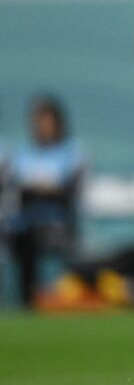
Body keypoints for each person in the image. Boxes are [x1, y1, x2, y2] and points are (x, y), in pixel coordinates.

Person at [2, 96, 83, 307]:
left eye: (47, 121)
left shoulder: (71, 151)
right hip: (24, 227)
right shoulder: (21, 154)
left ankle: (46, 299)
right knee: (19, 239)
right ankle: (22, 300)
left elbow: (66, 187)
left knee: (42, 239)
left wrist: (39, 189)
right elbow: (13, 186)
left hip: (56, 225)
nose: (42, 127)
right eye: (38, 121)